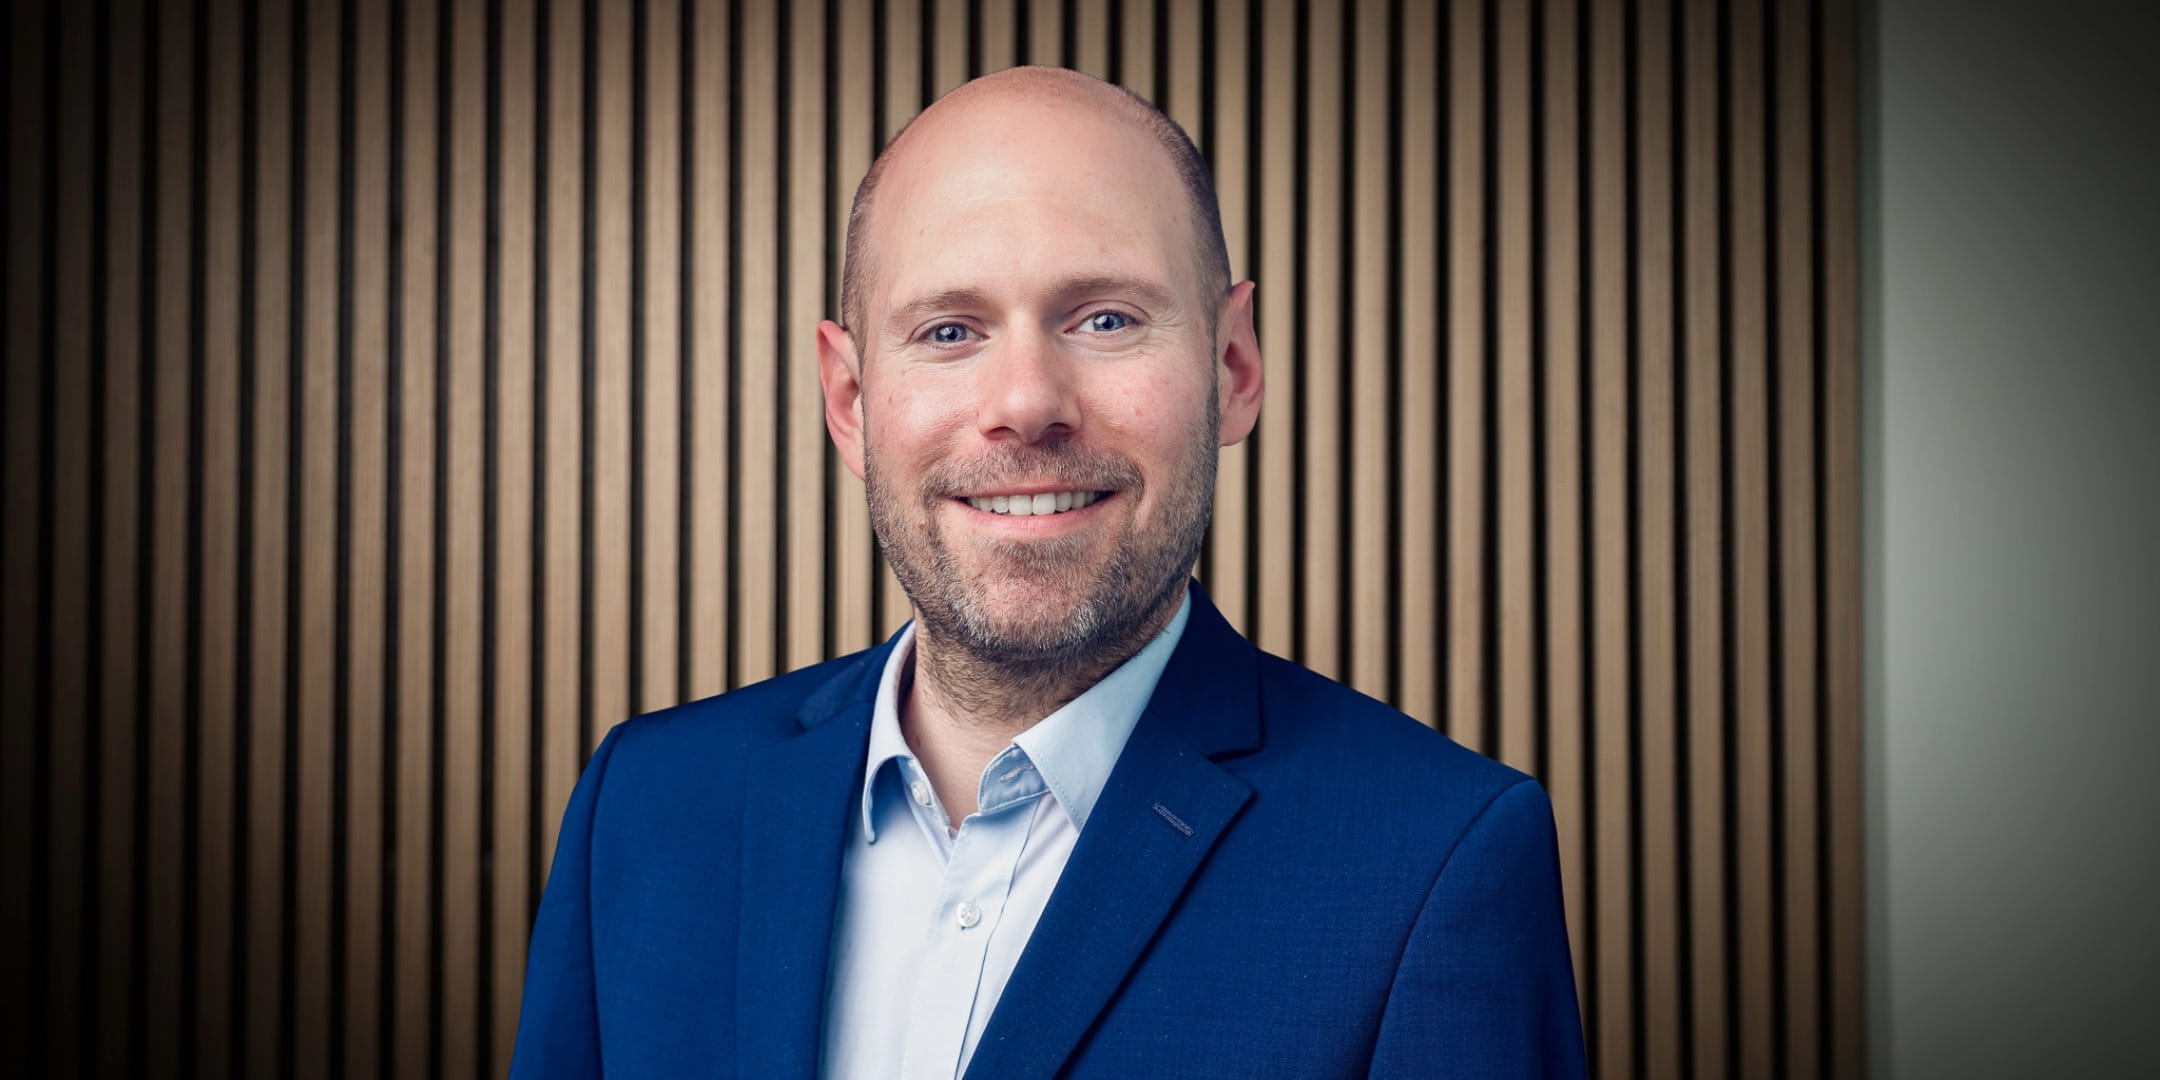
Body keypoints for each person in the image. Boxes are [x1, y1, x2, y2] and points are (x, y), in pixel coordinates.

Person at [509, 66, 1586, 1079]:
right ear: (849, 400)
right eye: (949, 329)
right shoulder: (643, 808)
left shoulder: (1439, 861)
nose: (1026, 403)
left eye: (1106, 319)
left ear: (1233, 367)